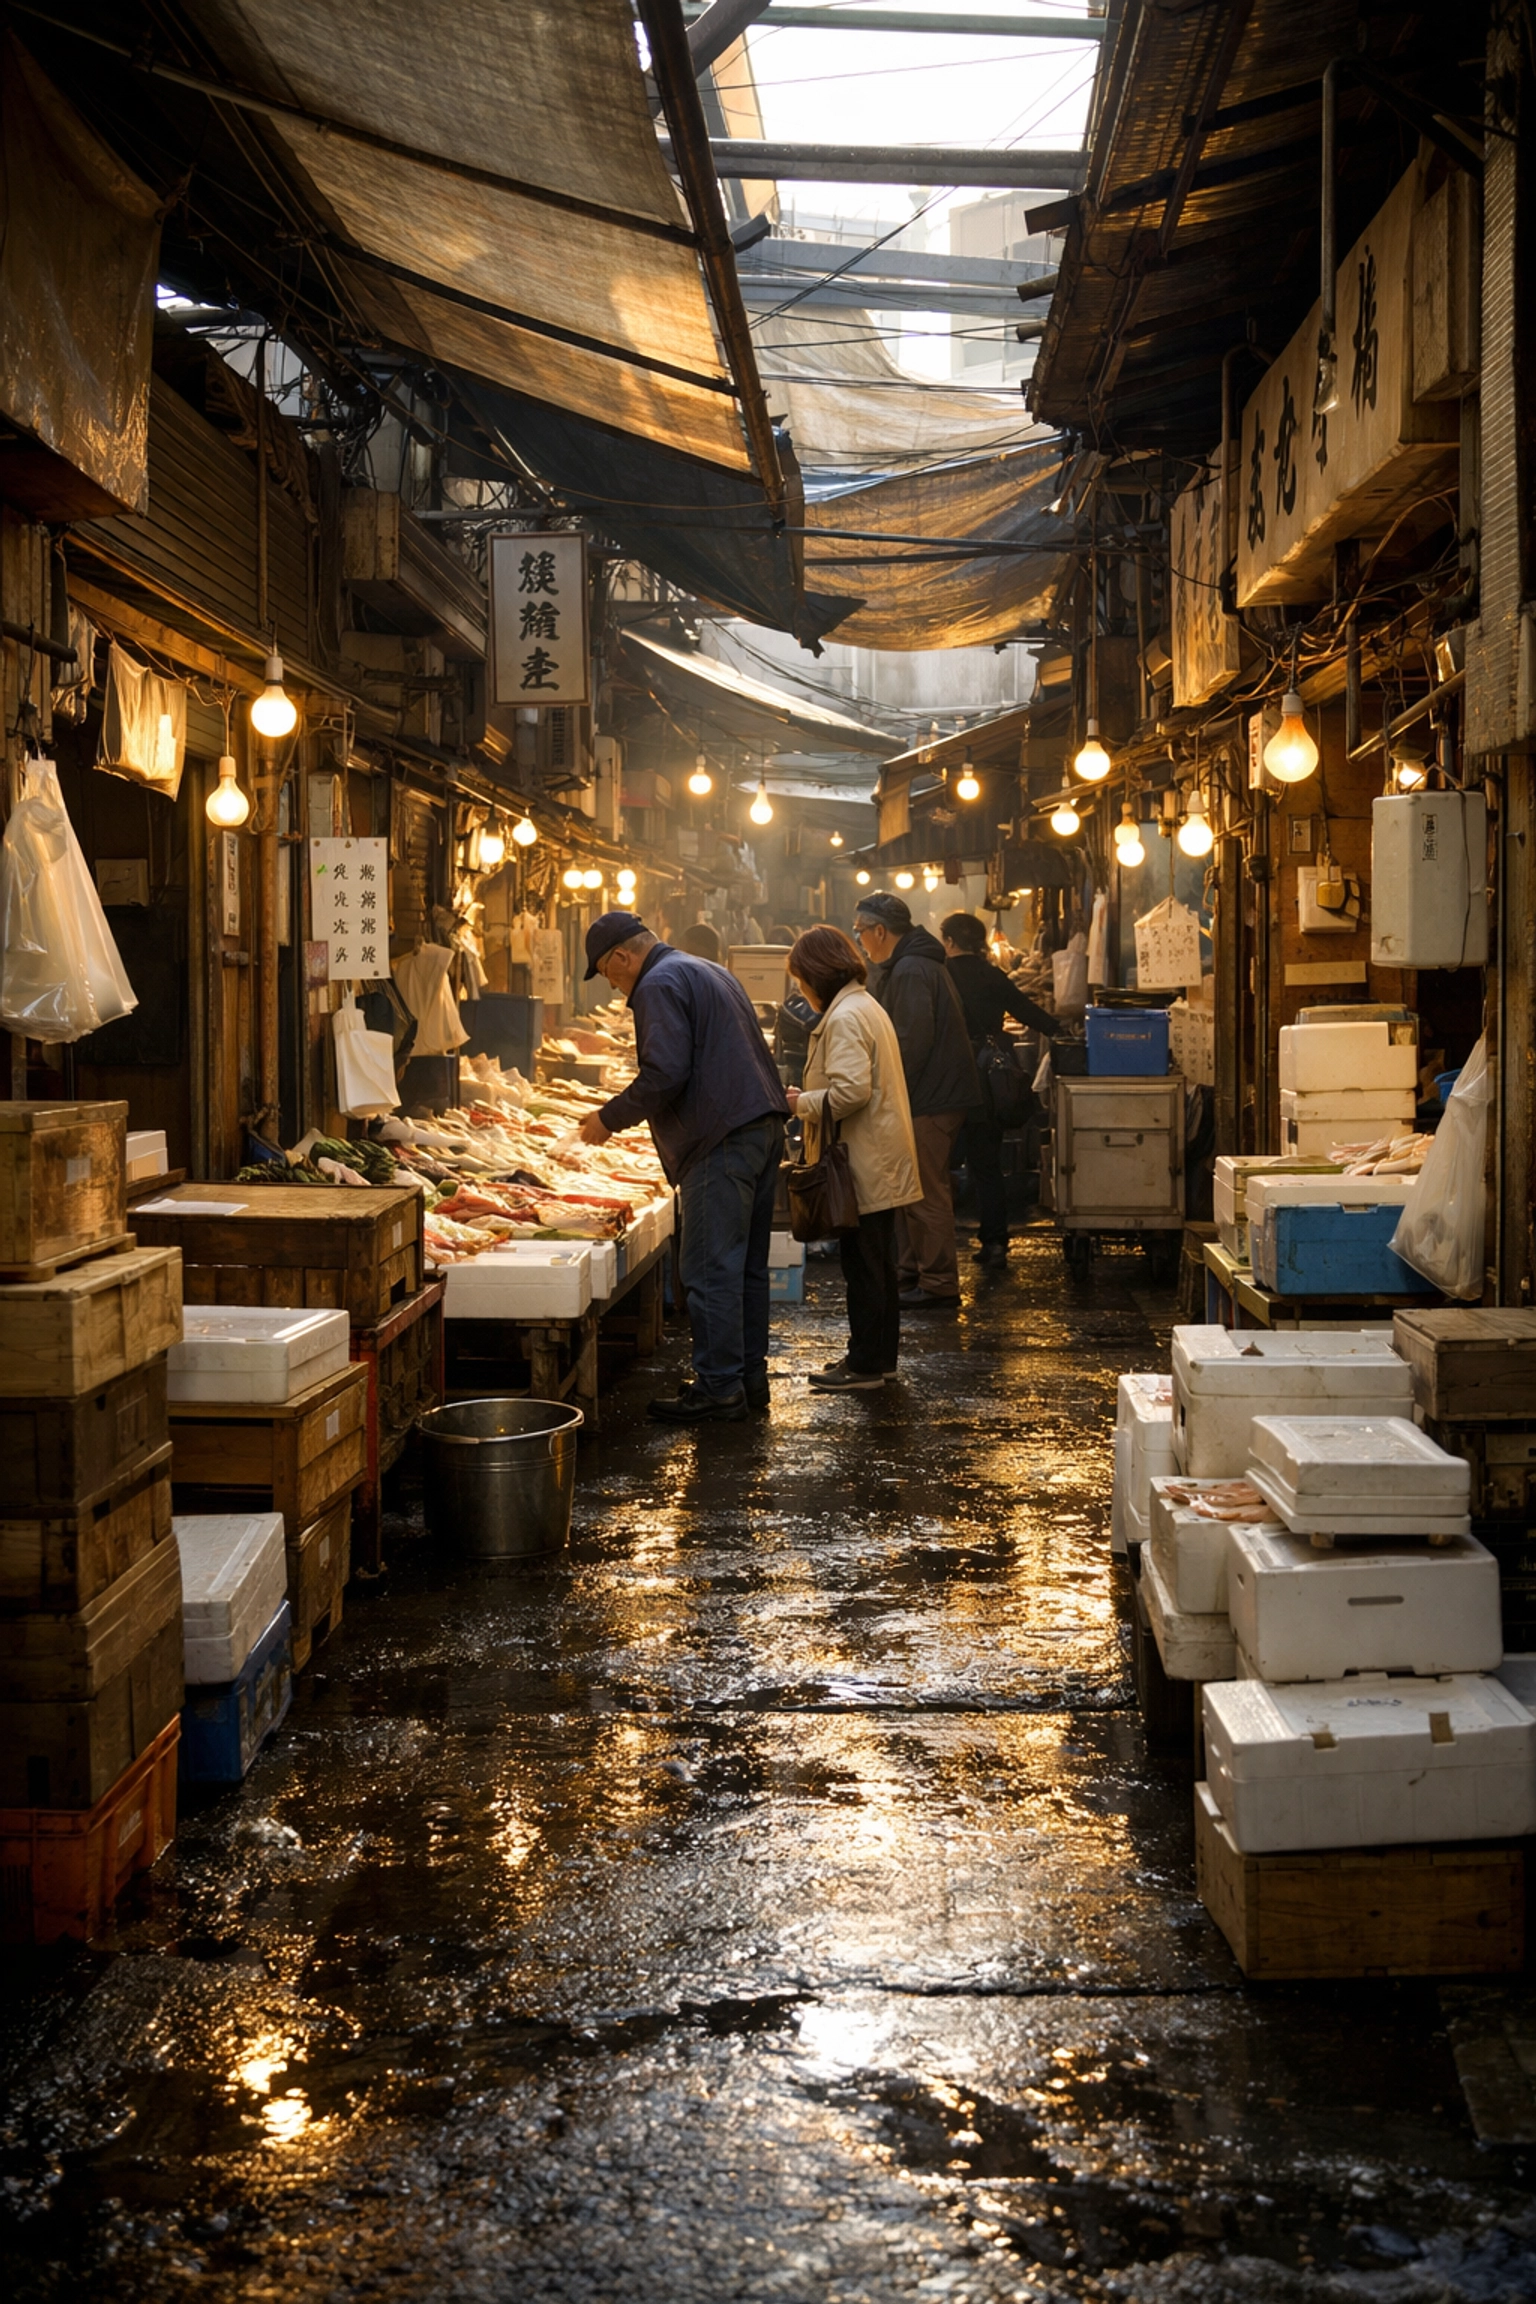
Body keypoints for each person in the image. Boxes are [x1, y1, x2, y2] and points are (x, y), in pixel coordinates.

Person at [578, 912, 788, 1424]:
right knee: (745, 1268)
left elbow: (666, 1072)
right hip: (760, 1128)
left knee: (710, 1269)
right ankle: (747, 1379)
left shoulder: (657, 983)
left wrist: (610, 1118)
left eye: (609, 972)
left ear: (623, 957)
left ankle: (718, 1388)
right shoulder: (708, 969)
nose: (613, 984)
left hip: (719, 1139)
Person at [785, 927, 919, 1390]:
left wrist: (798, 1103)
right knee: (878, 1266)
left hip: (864, 1161)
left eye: (801, 979)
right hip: (877, 1156)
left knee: (865, 1268)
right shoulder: (863, 1004)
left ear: (817, 974)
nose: (801, 989)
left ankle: (864, 1365)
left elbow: (851, 1092)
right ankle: (879, 1360)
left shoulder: (845, 1016)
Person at [852, 891, 980, 1310]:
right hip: (928, 1096)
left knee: (925, 1192)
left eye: (861, 933)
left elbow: (910, 1042)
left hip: (931, 1099)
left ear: (880, 931)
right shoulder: (913, 964)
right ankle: (912, 1272)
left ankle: (939, 1282)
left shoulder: (910, 969)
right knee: (909, 1190)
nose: (860, 942)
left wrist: (881, 1093)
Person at [940, 911, 1059, 1267]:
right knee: (987, 1166)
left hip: (946, 1080)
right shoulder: (992, 975)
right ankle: (995, 1243)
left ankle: (938, 1244)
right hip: (987, 1082)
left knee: (937, 1167)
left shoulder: (940, 976)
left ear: (948, 941)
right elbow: (1024, 1009)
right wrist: (1062, 1031)